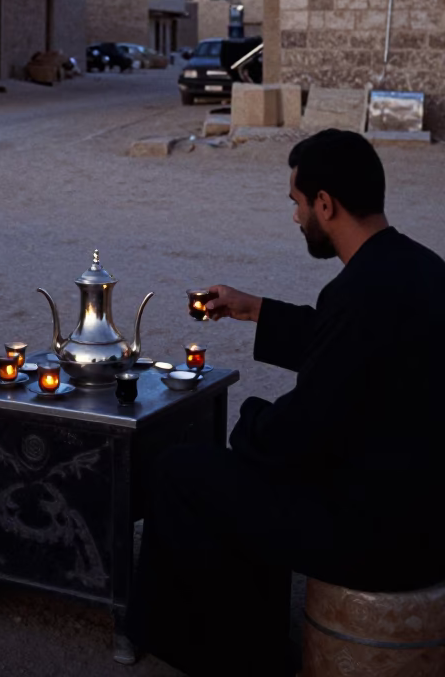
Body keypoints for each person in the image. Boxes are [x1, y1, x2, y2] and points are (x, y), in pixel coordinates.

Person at [128, 129, 445, 676]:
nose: (297, 218)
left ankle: (220, 653)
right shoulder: (421, 269)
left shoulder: (357, 293)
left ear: (326, 204)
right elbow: (347, 345)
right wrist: (254, 309)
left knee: (183, 470)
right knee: (241, 475)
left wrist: (250, 423)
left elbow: (299, 434)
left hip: (385, 536)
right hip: (427, 511)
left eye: (298, 204)